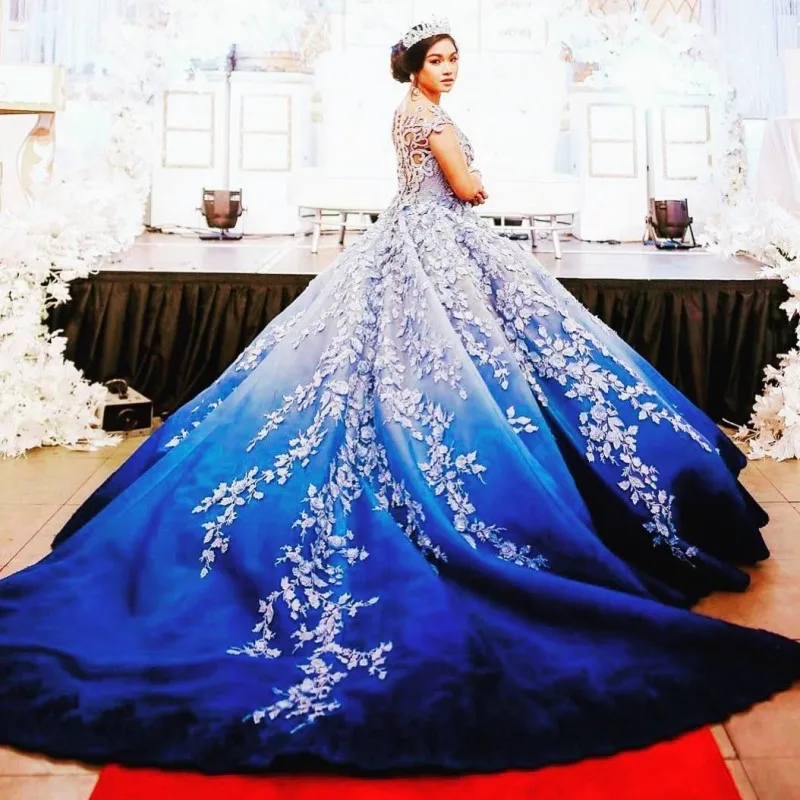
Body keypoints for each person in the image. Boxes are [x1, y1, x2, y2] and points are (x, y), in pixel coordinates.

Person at [0, 17, 799, 775]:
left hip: (405, 240)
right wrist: (476, 179)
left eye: (454, 58)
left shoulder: (406, 111)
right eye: (438, 60)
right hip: (440, 243)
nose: (450, 69)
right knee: (479, 363)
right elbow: (469, 190)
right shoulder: (435, 119)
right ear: (415, 69)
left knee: (400, 364)